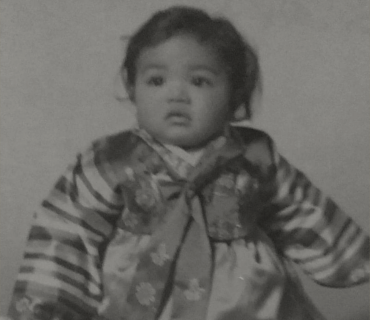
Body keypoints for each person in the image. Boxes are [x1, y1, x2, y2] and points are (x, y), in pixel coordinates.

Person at [5, 5, 369, 320]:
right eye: (157, 80)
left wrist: (353, 258)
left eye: (199, 81)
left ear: (234, 93)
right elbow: (68, 228)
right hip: (142, 294)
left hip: (245, 299)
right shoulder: (111, 160)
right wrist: (49, 305)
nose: (176, 94)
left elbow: (301, 210)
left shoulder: (254, 157)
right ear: (132, 89)